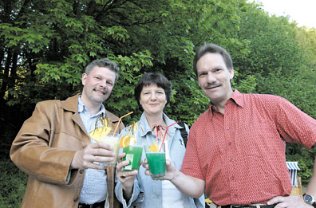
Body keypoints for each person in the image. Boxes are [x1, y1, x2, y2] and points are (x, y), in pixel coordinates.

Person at [143, 43, 316, 208]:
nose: (210, 79)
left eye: (217, 70)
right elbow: (196, 188)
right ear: (198, 81)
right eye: (203, 74)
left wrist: (309, 199)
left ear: (231, 72)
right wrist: (173, 175)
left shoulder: (270, 106)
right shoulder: (197, 129)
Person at [10, 58, 124, 208]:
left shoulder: (117, 124)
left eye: (109, 82)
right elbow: (22, 150)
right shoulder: (49, 110)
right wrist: (73, 159)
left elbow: (120, 173)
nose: (103, 85)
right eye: (98, 78)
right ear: (84, 79)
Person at [114, 72, 205, 208]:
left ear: (166, 98)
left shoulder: (183, 131)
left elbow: (197, 182)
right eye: (146, 93)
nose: (153, 98)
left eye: (159, 92)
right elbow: (124, 191)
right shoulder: (128, 135)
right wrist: (127, 186)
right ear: (139, 99)